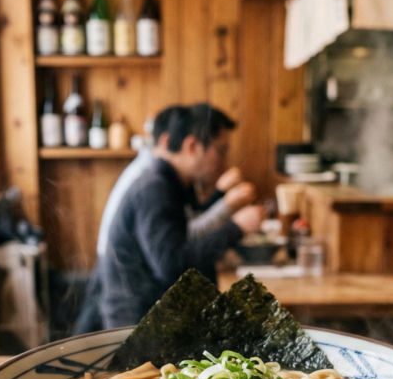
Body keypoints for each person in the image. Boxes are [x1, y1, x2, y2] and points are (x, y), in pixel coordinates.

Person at [75, 106, 259, 333]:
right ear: (191, 146)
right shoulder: (155, 188)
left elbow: (187, 226)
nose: (224, 161)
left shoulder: (169, 181)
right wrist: (236, 228)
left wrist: (222, 202)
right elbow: (170, 263)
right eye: (221, 151)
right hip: (135, 322)